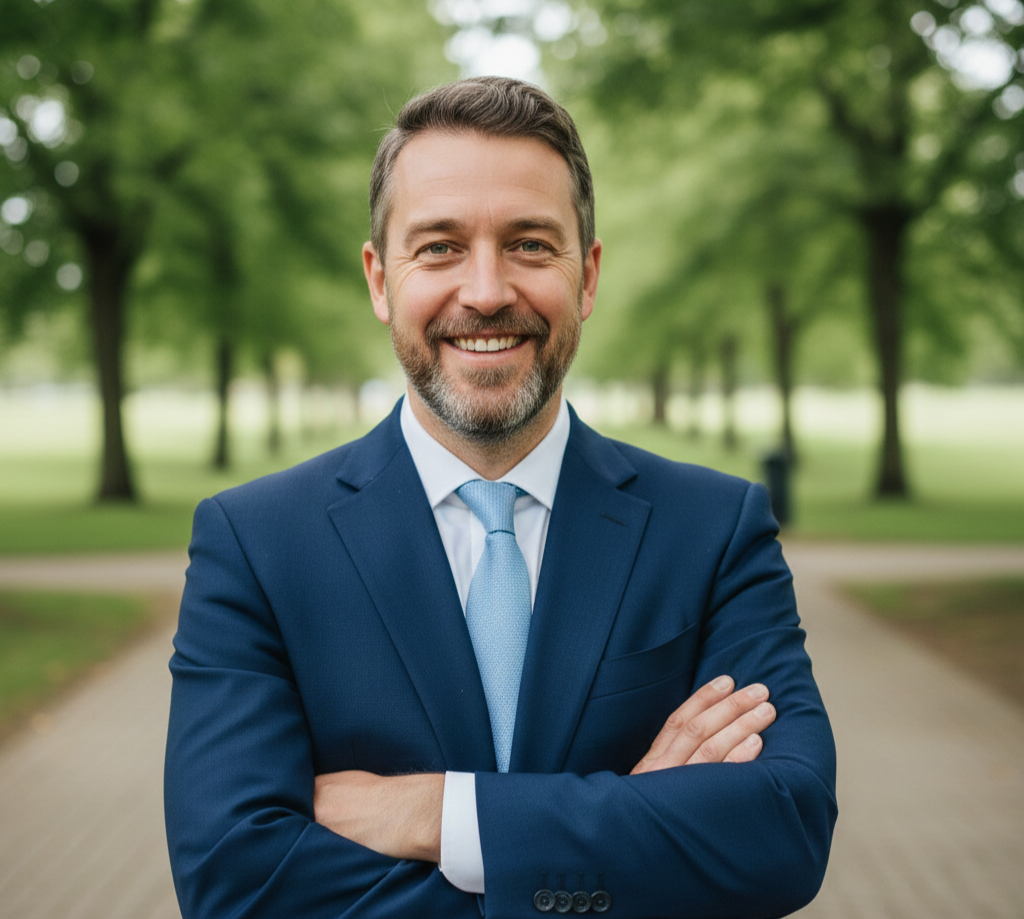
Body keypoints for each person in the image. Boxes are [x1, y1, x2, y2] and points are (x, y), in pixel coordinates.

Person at [164, 76, 836, 919]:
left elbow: (784, 828)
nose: (485, 291)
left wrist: (437, 812)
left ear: (587, 277)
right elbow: (238, 882)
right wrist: (632, 830)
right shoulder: (254, 544)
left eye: (528, 244)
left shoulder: (716, 529)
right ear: (379, 280)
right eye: (440, 246)